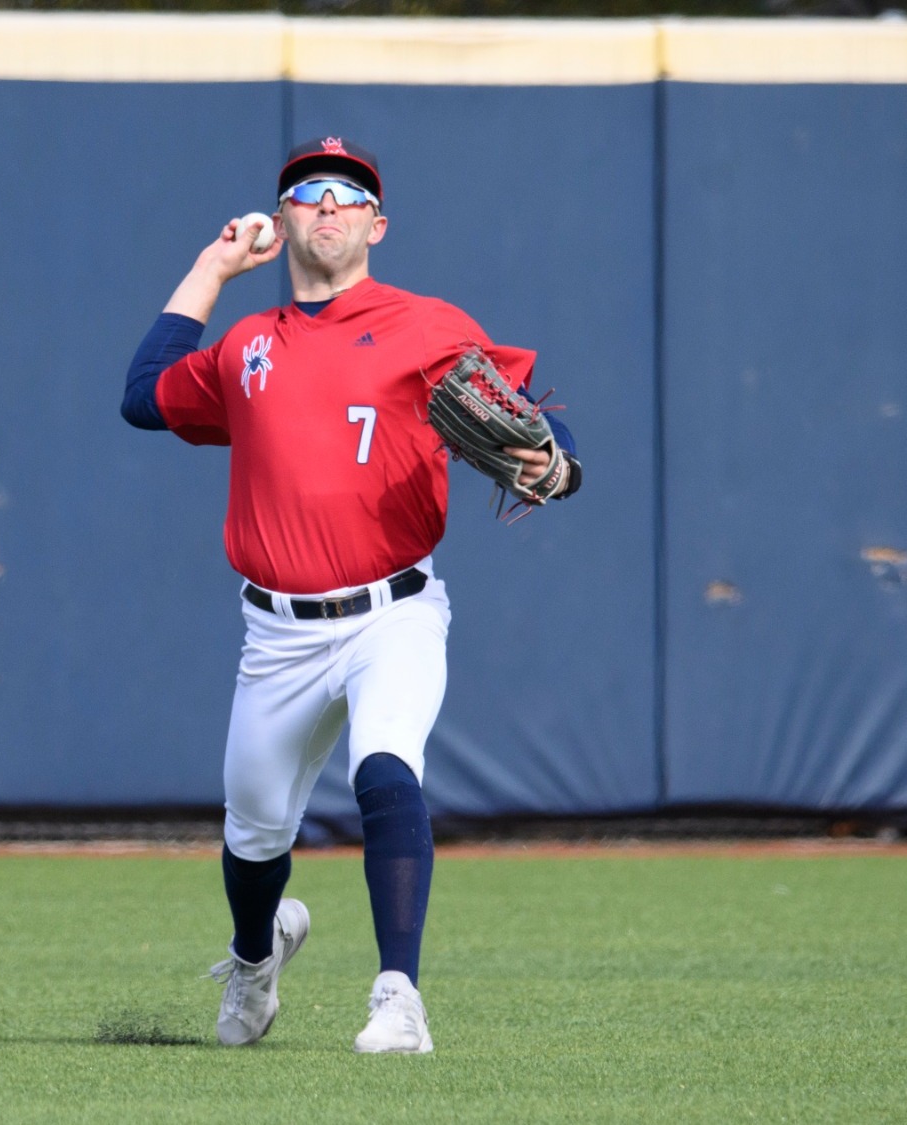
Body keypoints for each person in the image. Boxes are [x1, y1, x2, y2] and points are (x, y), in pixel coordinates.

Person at [119, 137, 581, 1054]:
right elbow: (142, 397)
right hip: (277, 632)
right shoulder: (249, 345)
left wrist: (558, 462)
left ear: (376, 223)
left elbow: (534, 417)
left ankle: (399, 997)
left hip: (394, 612)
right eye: (307, 192)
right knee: (252, 836)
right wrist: (214, 265)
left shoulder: (427, 325)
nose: (327, 204)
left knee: (385, 767)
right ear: (283, 217)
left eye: (348, 194)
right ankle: (257, 962)